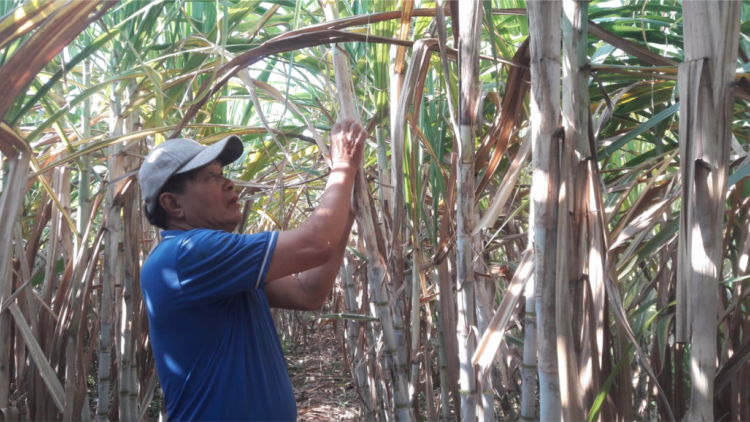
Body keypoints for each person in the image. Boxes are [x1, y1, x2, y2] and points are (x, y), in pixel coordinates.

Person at [137, 119, 367, 421]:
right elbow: (315, 242)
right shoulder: (188, 254)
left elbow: (307, 293)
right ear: (173, 204)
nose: (229, 183)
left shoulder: (216, 264)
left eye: (222, 174)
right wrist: (344, 164)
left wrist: (347, 212)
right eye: (210, 176)